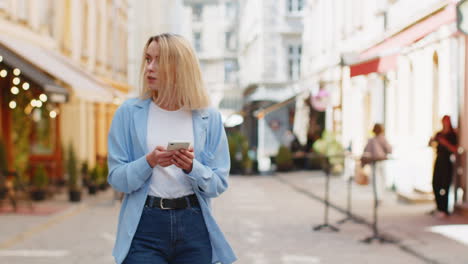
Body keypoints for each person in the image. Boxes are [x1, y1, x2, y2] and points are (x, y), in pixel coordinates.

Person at [107, 33, 236, 264]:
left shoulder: (208, 117)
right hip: (144, 226)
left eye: (159, 61)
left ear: (180, 68)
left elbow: (219, 184)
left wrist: (192, 167)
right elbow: (117, 178)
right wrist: (149, 162)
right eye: (148, 59)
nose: (150, 67)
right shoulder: (128, 113)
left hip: (194, 225)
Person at [429, 115, 458, 218]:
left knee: (445, 185)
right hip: (439, 160)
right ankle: (439, 207)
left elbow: (455, 149)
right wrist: (432, 140)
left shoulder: (452, 134)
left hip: (447, 161)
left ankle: (444, 209)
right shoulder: (439, 133)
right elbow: (431, 144)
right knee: (435, 183)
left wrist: (445, 143)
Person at [362, 124, 392, 201]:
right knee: (381, 179)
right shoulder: (382, 139)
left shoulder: (372, 140)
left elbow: (366, 150)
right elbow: (389, 150)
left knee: (376, 180)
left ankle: (378, 196)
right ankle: (380, 196)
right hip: (380, 161)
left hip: (375, 162)